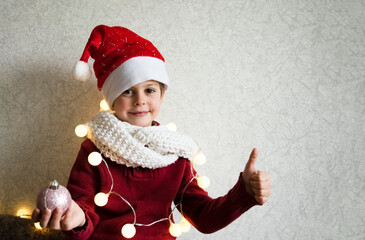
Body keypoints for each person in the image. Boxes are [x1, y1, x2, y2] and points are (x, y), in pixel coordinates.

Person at [32, 25, 272, 240]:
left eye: (149, 90)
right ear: (112, 98)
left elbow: (204, 218)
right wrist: (77, 218)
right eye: (127, 91)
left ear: (162, 95)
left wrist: (243, 195)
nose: (140, 101)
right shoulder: (94, 149)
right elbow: (84, 213)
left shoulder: (176, 154)